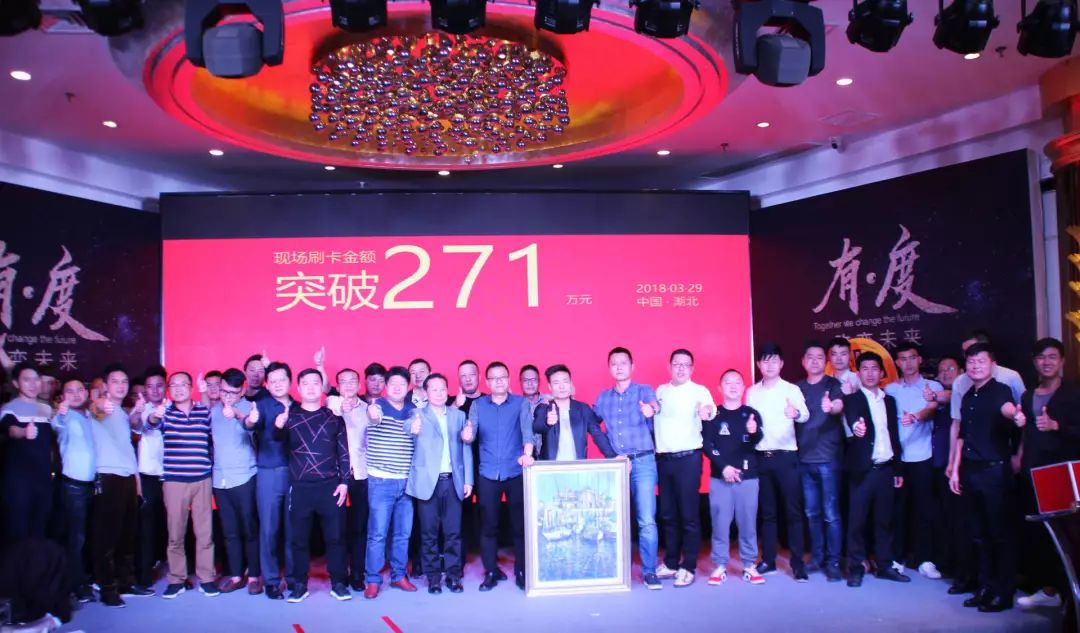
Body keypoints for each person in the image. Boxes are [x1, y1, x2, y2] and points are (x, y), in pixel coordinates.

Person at [948, 343, 1025, 612]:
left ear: (992, 364)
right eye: (971, 362)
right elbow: (961, 436)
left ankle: (1003, 592)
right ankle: (985, 587)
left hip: (995, 472)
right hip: (970, 471)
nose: (975, 366)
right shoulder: (967, 395)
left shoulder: (1000, 390)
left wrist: (1016, 416)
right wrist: (954, 468)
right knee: (978, 534)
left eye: (981, 361)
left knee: (999, 534)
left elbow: (1008, 409)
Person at [272, 368, 350, 603]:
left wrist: (345, 482)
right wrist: (278, 426)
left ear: (321, 387)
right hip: (300, 487)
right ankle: (299, 585)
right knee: (299, 540)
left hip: (330, 487)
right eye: (305, 383)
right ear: (298, 388)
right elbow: (276, 439)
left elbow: (343, 452)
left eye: (316, 383)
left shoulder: (334, 417)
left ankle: (339, 583)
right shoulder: (290, 417)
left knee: (336, 538)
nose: (311, 387)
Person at [1017, 338, 1080, 609]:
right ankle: (1049, 590)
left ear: (1062, 361)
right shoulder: (1028, 395)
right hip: (1033, 472)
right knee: (1041, 535)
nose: (1046, 362)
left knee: (1069, 536)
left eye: (1052, 357)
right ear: (1034, 362)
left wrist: (1057, 426)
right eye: (1041, 357)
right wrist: (1019, 456)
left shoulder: (1074, 393)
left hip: (1063, 474)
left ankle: (1070, 595)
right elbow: (1027, 432)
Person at [593, 347, 662, 589]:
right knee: (614, 521)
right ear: (609, 368)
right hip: (618, 465)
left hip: (643, 462)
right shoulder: (603, 398)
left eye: (624, 363)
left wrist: (651, 409)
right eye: (614, 363)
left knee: (646, 520)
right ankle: (615, 570)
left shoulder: (644, 390)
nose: (619, 367)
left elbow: (656, 405)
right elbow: (591, 423)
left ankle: (649, 571)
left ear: (632, 367)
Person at [842, 352, 909, 587]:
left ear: (881, 373)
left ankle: (885, 565)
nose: (870, 373)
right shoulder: (852, 400)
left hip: (886, 469)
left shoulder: (889, 401)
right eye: (865, 368)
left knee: (884, 520)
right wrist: (856, 428)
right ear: (858, 373)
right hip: (863, 470)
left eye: (874, 368)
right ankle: (856, 567)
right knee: (857, 522)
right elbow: (853, 421)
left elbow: (894, 434)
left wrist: (898, 468)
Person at [149, 372, 218, 599]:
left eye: (183, 384)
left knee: (205, 533)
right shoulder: (165, 412)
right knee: (175, 534)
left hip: (202, 479)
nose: (178, 389)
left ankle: (207, 578)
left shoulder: (203, 411)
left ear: (191, 388)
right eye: (174, 385)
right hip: (174, 481)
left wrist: (206, 394)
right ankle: (176, 579)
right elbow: (149, 424)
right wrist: (154, 416)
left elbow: (213, 432)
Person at [465, 361, 533, 591]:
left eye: (502, 377)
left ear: (508, 379)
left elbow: (527, 433)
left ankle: (522, 571)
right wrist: (466, 435)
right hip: (487, 473)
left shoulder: (520, 403)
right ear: (487, 382)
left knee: (519, 526)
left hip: (515, 471)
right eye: (493, 378)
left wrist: (527, 454)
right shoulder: (478, 405)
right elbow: (470, 434)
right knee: (488, 526)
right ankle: (491, 571)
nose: (498, 381)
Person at [746, 343, 809, 582]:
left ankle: (797, 563)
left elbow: (805, 414)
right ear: (758, 364)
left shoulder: (791, 389)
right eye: (765, 360)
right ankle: (768, 560)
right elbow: (749, 422)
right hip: (761, 457)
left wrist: (796, 414)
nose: (769, 365)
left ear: (781, 364)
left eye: (774, 360)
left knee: (793, 512)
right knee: (768, 513)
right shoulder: (752, 392)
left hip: (786, 457)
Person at [653, 349, 715, 587]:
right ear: (669, 367)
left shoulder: (700, 391)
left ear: (692, 368)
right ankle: (670, 562)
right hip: (664, 459)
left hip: (688, 459)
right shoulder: (660, 391)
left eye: (685, 364)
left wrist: (706, 412)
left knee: (689, 515)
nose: (680, 368)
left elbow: (709, 410)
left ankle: (688, 565)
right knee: (668, 514)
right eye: (676, 364)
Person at [407, 373, 473, 594]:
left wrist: (468, 480)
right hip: (428, 483)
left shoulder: (458, 415)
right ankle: (433, 577)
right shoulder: (417, 414)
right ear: (426, 393)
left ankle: (453, 576)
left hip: (453, 481)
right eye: (433, 389)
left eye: (442, 388)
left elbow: (466, 447)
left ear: (448, 390)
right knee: (429, 534)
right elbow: (408, 427)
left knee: (454, 533)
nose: (439, 393)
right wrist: (411, 429)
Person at [884, 343, 943, 580]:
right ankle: (897, 558)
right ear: (897, 363)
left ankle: (925, 559)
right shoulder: (891, 389)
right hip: (897, 459)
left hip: (922, 456)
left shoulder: (933, 387)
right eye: (903, 359)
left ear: (919, 360)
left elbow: (932, 408)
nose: (907, 363)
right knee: (897, 510)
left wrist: (917, 416)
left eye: (912, 358)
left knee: (924, 510)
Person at [704, 369, 765, 586]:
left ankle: (749, 564)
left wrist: (754, 431)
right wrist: (724, 468)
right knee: (720, 524)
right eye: (727, 382)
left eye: (737, 382)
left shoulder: (751, 414)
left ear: (743, 387)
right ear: (719, 388)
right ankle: (720, 565)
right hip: (720, 478)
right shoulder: (713, 415)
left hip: (748, 478)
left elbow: (757, 439)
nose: (732, 386)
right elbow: (708, 445)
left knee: (748, 523)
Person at [363, 366, 419, 598]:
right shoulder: (377, 406)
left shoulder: (413, 410)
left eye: (402, 384)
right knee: (377, 534)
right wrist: (372, 413)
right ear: (386, 386)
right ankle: (373, 579)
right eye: (392, 383)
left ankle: (398, 575)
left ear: (408, 387)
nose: (397, 388)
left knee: (402, 534)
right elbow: (372, 417)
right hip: (381, 481)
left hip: (406, 482)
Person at [90, 364, 140, 608]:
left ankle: (124, 582)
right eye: (115, 381)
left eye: (124, 381)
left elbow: (128, 450)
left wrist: (137, 483)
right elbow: (97, 409)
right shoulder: (101, 406)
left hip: (127, 477)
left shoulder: (121, 413)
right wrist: (100, 403)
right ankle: (107, 589)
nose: (121, 385)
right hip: (109, 476)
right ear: (105, 385)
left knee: (126, 535)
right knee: (107, 538)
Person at [795, 340, 845, 582]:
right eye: (810, 357)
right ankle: (817, 558)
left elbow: (838, 406)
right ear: (803, 361)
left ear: (825, 362)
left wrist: (831, 406)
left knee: (831, 514)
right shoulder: (796, 388)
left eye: (819, 357)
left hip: (828, 459)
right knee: (812, 513)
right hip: (803, 459)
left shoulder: (833, 384)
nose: (815, 361)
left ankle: (833, 562)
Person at [247, 361, 295, 600]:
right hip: (269, 473)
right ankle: (272, 580)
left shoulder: (300, 407)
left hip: (297, 474)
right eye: (272, 381)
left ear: (290, 382)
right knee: (269, 529)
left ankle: (294, 577)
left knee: (294, 529)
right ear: (266, 384)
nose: (277, 384)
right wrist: (250, 420)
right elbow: (250, 423)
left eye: (281, 379)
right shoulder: (262, 406)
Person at [209, 368, 261, 595]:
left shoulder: (249, 409)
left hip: (245, 477)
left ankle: (255, 575)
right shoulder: (213, 412)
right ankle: (236, 575)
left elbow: (251, 425)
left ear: (241, 391)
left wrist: (238, 415)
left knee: (250, 529)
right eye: (223, 391)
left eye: (232, 393)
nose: (227, 397)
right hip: (220, 479)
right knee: (229, 532)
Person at [51, 378, 97, 603]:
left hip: (93, 486)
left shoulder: (91, 415)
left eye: (80, 389)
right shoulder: (64, 416)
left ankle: (86, 578)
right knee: (76, 539)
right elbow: (56, 424)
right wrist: (61, 413)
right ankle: (76, 586)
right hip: (73, 487)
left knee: (89, 536)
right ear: (62, 396)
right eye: (70, 391)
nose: (76, 394)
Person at [0, 364, 56, 542]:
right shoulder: (9, 408)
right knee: (18, 532)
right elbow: (11, 429)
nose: (33, 384)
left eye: (36, 379)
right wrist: (24, 432)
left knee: (39, 530)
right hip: (19, 482)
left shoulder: (46, 409)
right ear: (16, 384)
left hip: (43, 480)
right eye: (26, 380)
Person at [327, 368, 370, 593]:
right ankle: (339, 576)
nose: (349, 385)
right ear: (337, 386)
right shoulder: (331, 404)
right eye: (343, 381)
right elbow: (335, 405)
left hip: (361, 474)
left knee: (359, 528)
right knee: (336, 529)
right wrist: (341, 407)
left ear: (359, 384)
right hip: (335, 475)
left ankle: (357, 575)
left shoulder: (367, 408)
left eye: (353, 381)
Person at [130, 365, 167, 594]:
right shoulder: (141, 409)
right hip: (148, 476)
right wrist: (139, 412)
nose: (154, 390)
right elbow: (136, 425)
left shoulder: (175, 407)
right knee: (147, 527)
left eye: (159, 386)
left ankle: (178, 574)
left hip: (173, 475)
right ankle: (143, 577)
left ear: (166, 386)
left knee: (174, 527)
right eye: (150, 387)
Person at [532, 364, 616, 461]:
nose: (562, 387)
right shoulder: (544, 408)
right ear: (550, 386)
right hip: (551, 467)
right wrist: (547, 422)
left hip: (577, 466)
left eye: (565, 381)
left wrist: (613, 457)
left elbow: (597, 434)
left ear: (570, 383)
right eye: (556, 383)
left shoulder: (583, 409)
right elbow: (536, 427)